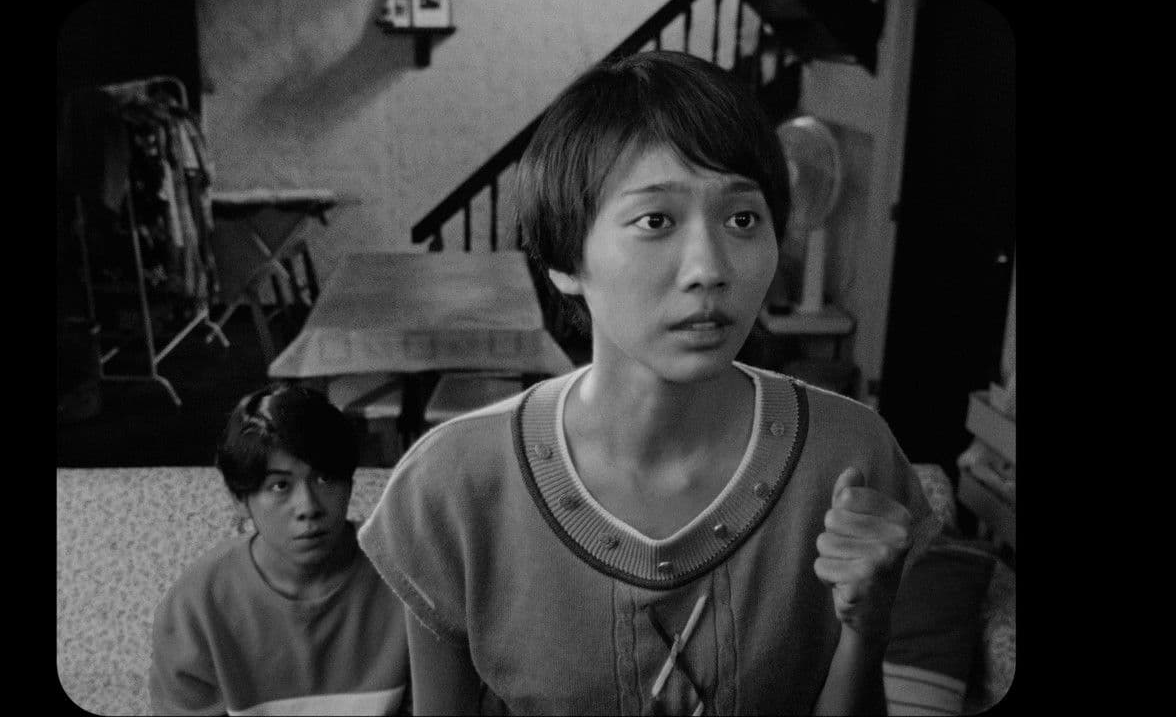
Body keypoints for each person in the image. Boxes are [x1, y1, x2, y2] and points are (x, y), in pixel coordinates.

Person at [358, 50, 940, 715]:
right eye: (656, 221)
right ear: (565, 258)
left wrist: (867, 627)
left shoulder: (850, 457)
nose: (709, 268)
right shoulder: (454, 485)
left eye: (742, 219)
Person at [149, 383, 410, 715]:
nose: (308, 507)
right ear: (240, 499)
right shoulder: (198, 604)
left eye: (325, 479)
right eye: (280, 486)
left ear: (350, 484)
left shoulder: (406, 576)